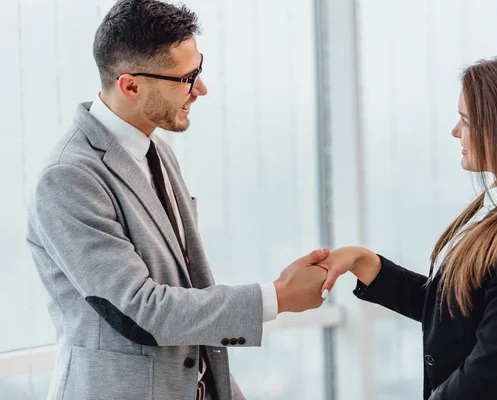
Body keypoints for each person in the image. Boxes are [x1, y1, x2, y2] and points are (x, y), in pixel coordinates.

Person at [25, 1, 327, 399]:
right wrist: (277, 296)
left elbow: (188, 288)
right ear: (130, 85)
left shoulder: (159, 151)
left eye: (198, 69)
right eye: (185, 78)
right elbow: (143, 311)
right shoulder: (68, 178)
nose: (200, 88)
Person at [319, 52, 497, 400]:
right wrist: (363, 262)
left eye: (466, 121)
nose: (455, 131)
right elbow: (457, 311)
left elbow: (488, 373)